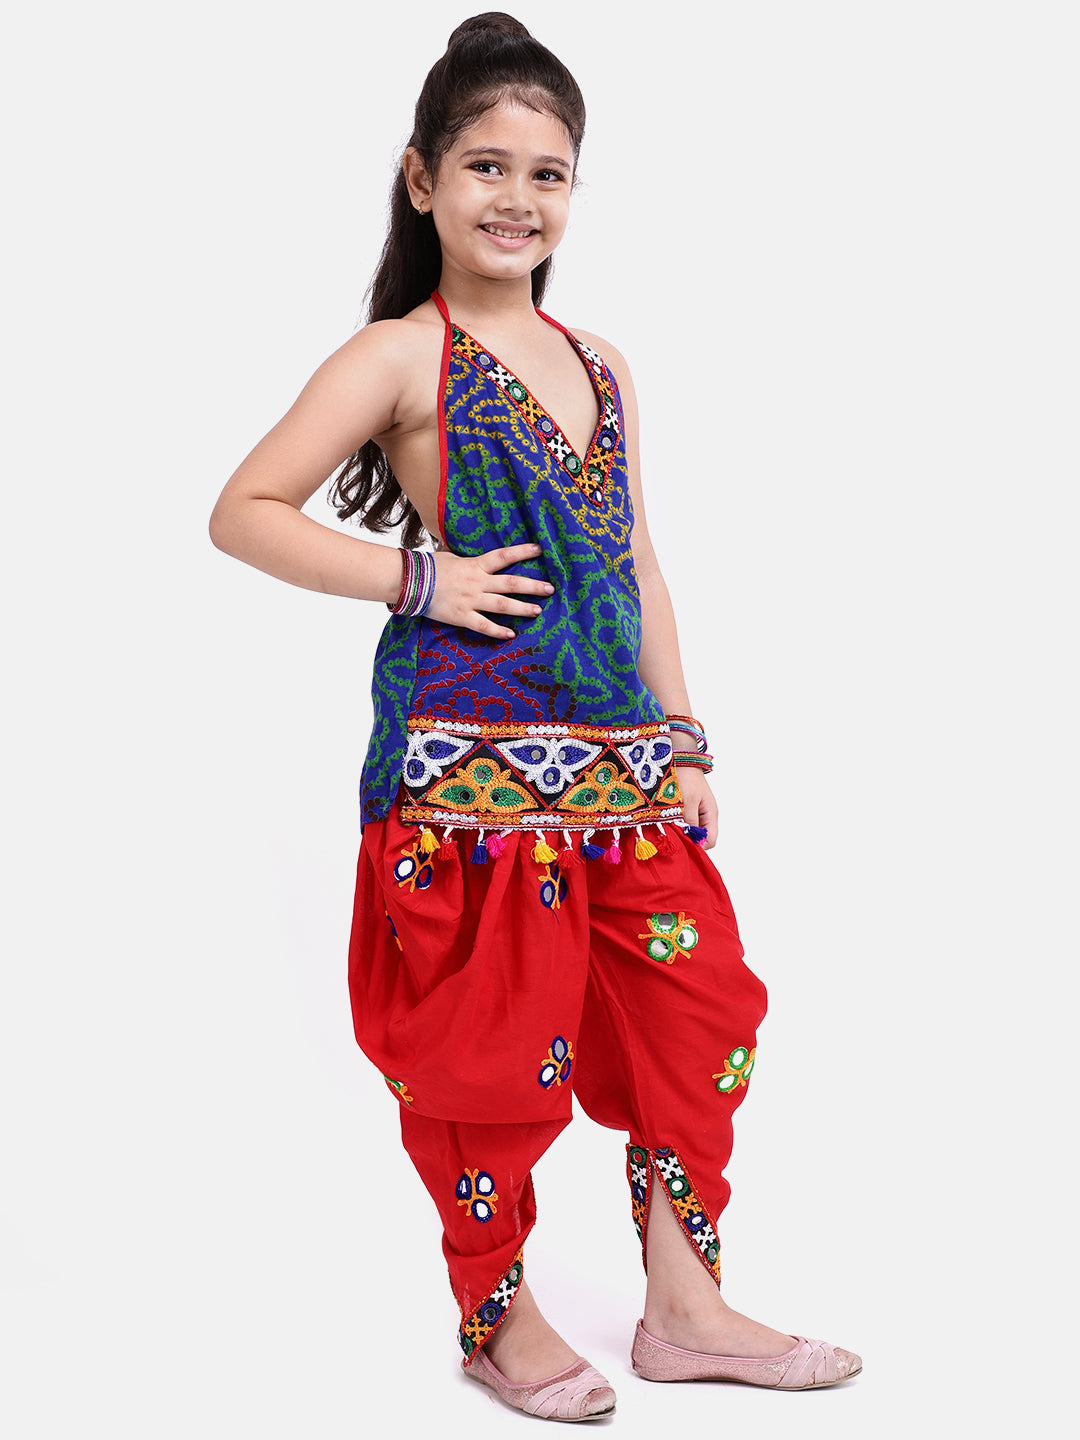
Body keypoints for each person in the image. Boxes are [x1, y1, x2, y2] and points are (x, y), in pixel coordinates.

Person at [209, 11, 861, 1423]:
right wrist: (417, 577)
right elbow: (243, 510)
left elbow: (638, 563)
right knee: (490, 1052)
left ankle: (685, 1310)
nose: (518, 198)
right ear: (422, 180)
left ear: (576, 190)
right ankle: (497, 1316)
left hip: (623, 771)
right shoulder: (400, 355)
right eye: (486, 166)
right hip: (470, 777)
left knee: (699, 1016)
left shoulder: (602, 360)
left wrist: (683, 737)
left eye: (547, 172)